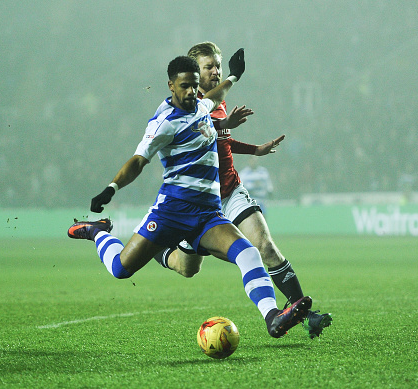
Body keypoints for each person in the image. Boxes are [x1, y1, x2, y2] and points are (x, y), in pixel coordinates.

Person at [67, 51, 312, 338]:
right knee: (122, 269)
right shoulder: (163, 122)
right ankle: (97, 233)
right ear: (171, 85)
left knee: (248, 252)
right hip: (171, 212)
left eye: (194, 85)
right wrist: (112, 187)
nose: (190, 92)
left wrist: (234, 76)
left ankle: (272, 317)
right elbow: (137, 161)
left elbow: (216, 96)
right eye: (184, 86)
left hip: (208, 215)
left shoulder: (200, 105)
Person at [155, 42, 331, 339]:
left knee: (265, 246)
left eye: (218, 67)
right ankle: (157, 249)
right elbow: (203, 131)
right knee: (187, 268)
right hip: (197, 200)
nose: (215, 71)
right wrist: (224, 118)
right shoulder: (183, 105)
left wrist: (255, 149)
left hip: (230, 190)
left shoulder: (217, 102)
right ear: (193, 72)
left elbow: (221, 138)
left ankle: (303, 312)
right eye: (208, 66)